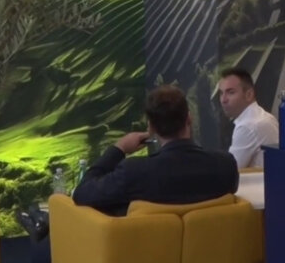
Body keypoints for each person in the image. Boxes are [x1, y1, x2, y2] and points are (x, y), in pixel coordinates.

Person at [72, 86, 240, 215]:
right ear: (189, 118)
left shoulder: (134, 172)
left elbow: (82, 193)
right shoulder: (225, 165)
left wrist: (119, 148)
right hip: (210, 250)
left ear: (151, 127)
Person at [218, 67, 279, 169]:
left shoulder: (247, 126)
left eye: (231, 92)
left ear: (249, 95)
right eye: (221, 93)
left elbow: (228, 172)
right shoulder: (266, 117)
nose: (223, 100)